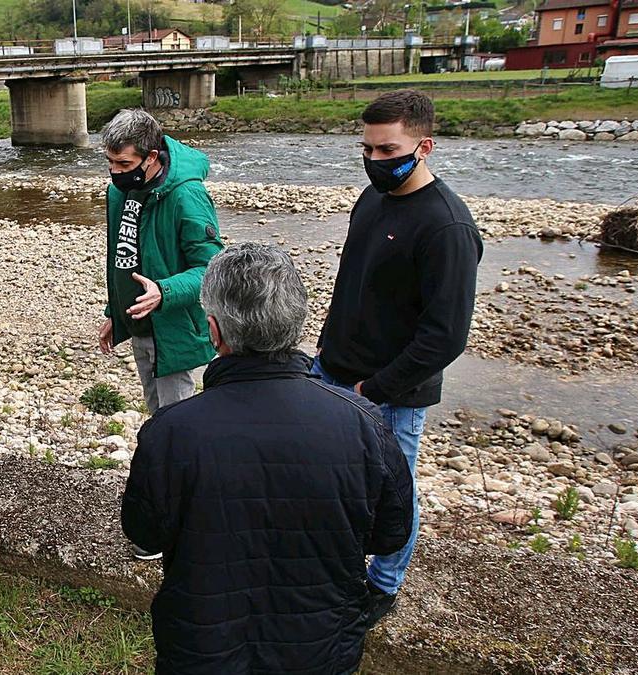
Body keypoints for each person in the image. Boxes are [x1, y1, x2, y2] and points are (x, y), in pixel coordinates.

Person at [121, 243, 414, 675]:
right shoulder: (364, 425)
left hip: (203, 647)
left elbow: (144, 533)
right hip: (321, 648)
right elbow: (390, 535)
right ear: (297, 324)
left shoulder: (170, 431)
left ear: (214, 332)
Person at [312, 89, 483, 627]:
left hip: (390, 394)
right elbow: (354, 285)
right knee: (334, 483)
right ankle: (336, 567)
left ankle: (383, 586)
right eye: (367, 149)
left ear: (425, 146)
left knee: (393, 493)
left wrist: (374, 389)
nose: (375, 161)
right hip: (333, 370)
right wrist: (325, 351)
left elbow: (445, 336)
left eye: (388, 151)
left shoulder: (447, 227)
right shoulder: (372, 199)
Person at [97, 108, 223, 560]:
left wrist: (164, 292)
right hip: (144, 324)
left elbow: (212, 268)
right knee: (161, 423)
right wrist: (117, 311)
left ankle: (179, 524)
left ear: (152, 158)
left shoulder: (187, 196)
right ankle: (175, 511)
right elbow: (121, 254)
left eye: (124, 165)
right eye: (109, 164)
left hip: (174, 329)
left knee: (176, 430)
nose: (114, 175)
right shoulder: (120, 192)